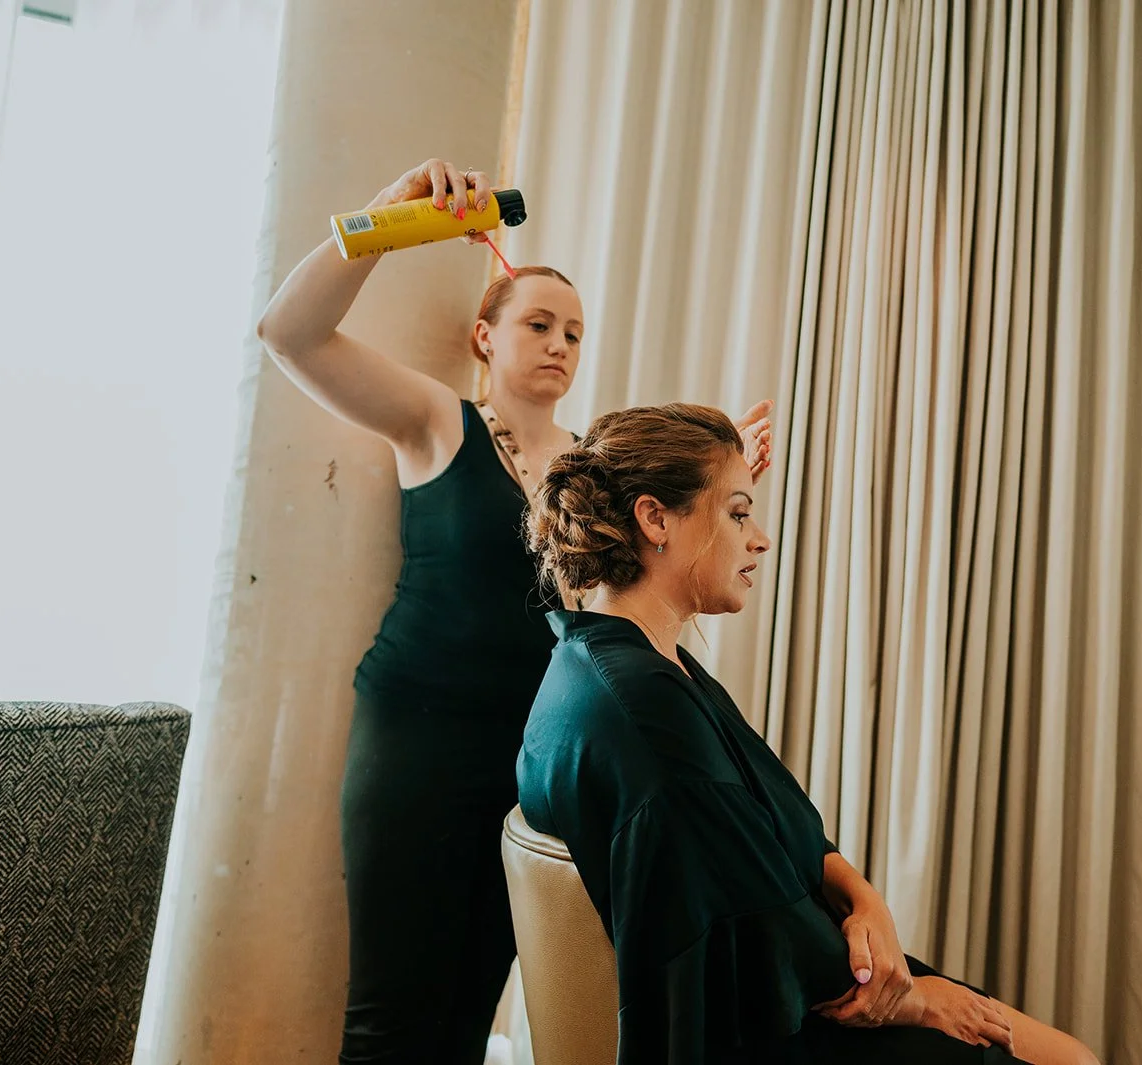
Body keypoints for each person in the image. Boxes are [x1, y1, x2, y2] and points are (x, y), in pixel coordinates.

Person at [255, 160, 775, 1064]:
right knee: (391, 1017)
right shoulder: (437, 421)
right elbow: (289, 333)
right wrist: (388, 217)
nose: (561, 345)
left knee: (467, 1017)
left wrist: (718, 495)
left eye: (575, 332)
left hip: (532, 757)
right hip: (416, 741)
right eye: (538, 323)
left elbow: (641, 588)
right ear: (484, 338)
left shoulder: (596, 467)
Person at [517, 404, 1100, 1065]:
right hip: (782, 1016)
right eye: (739, 513)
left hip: (799, 977)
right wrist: (916, 1000)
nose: (759, 538)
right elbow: (749, 930)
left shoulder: (624, 661)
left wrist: (862, 894)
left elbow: (770, 826)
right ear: (653, 519)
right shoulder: (642, 707)